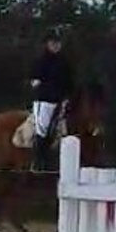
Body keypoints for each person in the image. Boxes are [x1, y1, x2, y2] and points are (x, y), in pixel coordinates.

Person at [28, 27, 74, 171]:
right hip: (45, 100)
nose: (56, 45)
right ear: (48, 44)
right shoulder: (41, 61)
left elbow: (69, 82)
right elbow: (35, 81)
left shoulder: (64, 62)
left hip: (61, 100)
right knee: (43, 127)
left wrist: (68, 96)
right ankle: (38, 161)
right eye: (53, 43)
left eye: (58, 43)